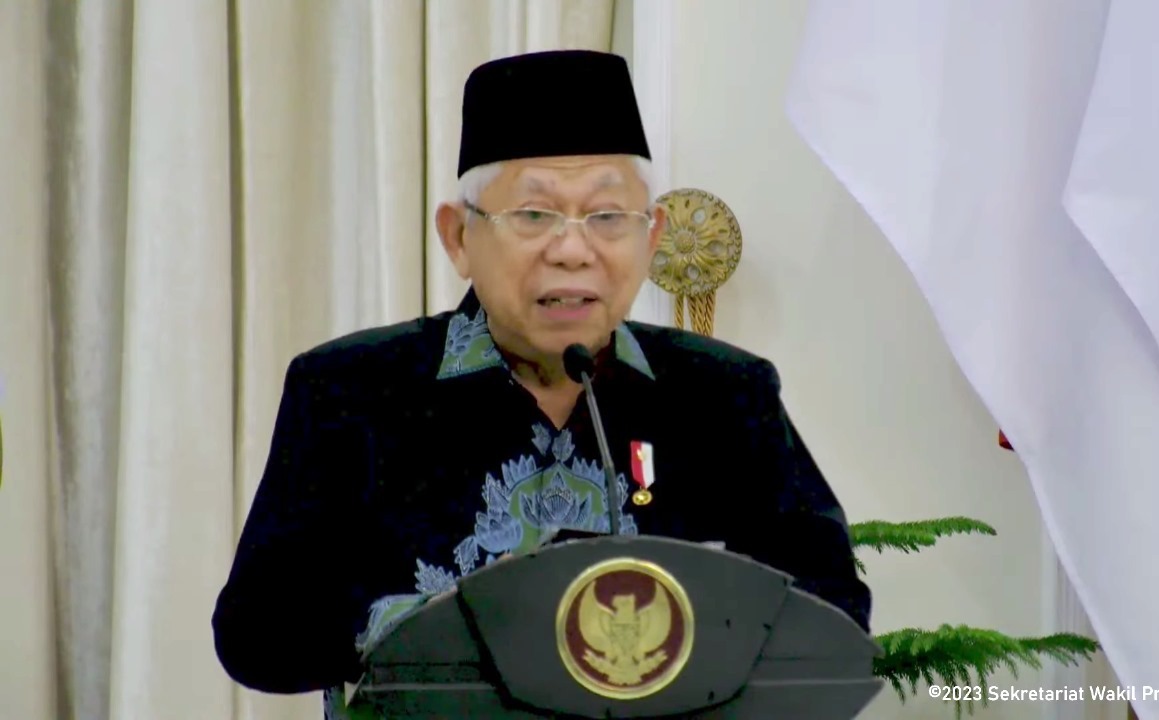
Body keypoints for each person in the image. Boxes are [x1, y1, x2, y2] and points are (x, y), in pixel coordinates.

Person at [211, 49, 871, 704]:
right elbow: (256, 635)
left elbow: (832, 612)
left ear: (651, 236)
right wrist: (448, 623)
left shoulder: (724, 393)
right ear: (458, 237)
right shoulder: (350, 391)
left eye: (607, 217)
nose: (574, 250)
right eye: (534, 215)